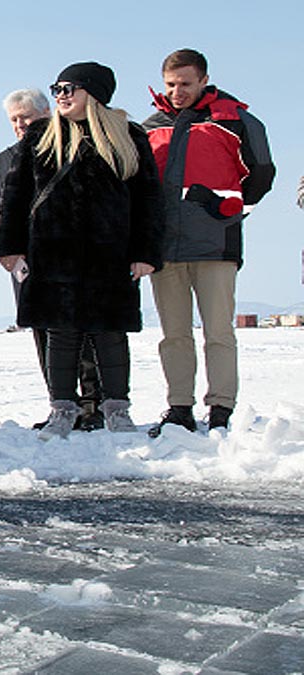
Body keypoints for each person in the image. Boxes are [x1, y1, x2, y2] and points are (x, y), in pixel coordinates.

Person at [0, 61, 164, 439]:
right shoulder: (41, 134)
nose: (61, 96)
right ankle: (62, 409)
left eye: (69, 88)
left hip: (110, 251)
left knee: (110, 332)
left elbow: (148, 199)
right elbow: (15, 195)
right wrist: (9, 247)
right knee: (61, 333)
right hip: (52, 251)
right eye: (57, 89)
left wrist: (146, 252)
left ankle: (117, 409)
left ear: (94, 93)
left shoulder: (128, 135)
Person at [142, 49, 276, 436]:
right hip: (166, 249)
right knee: (174, 335)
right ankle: (179, 408)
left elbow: (262, 172)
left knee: (218, 332)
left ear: (204, 80)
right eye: (170, 84)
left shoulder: (236, 121)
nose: (177, 91)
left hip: (216, 246)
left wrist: (229, 212)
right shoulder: (149, 127)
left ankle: (221, 408)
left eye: (186, 83)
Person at [0, 89, 103, 432]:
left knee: (81, 331)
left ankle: (92, 405)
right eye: (14, 119)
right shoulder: (3, 159)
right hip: (27, 259)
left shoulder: (71, 147)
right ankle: (61, 405)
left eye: (26, 116)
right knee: (43, 333)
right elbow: (6, 209)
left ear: (47, 114)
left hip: (71, 254)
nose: (20, 124)